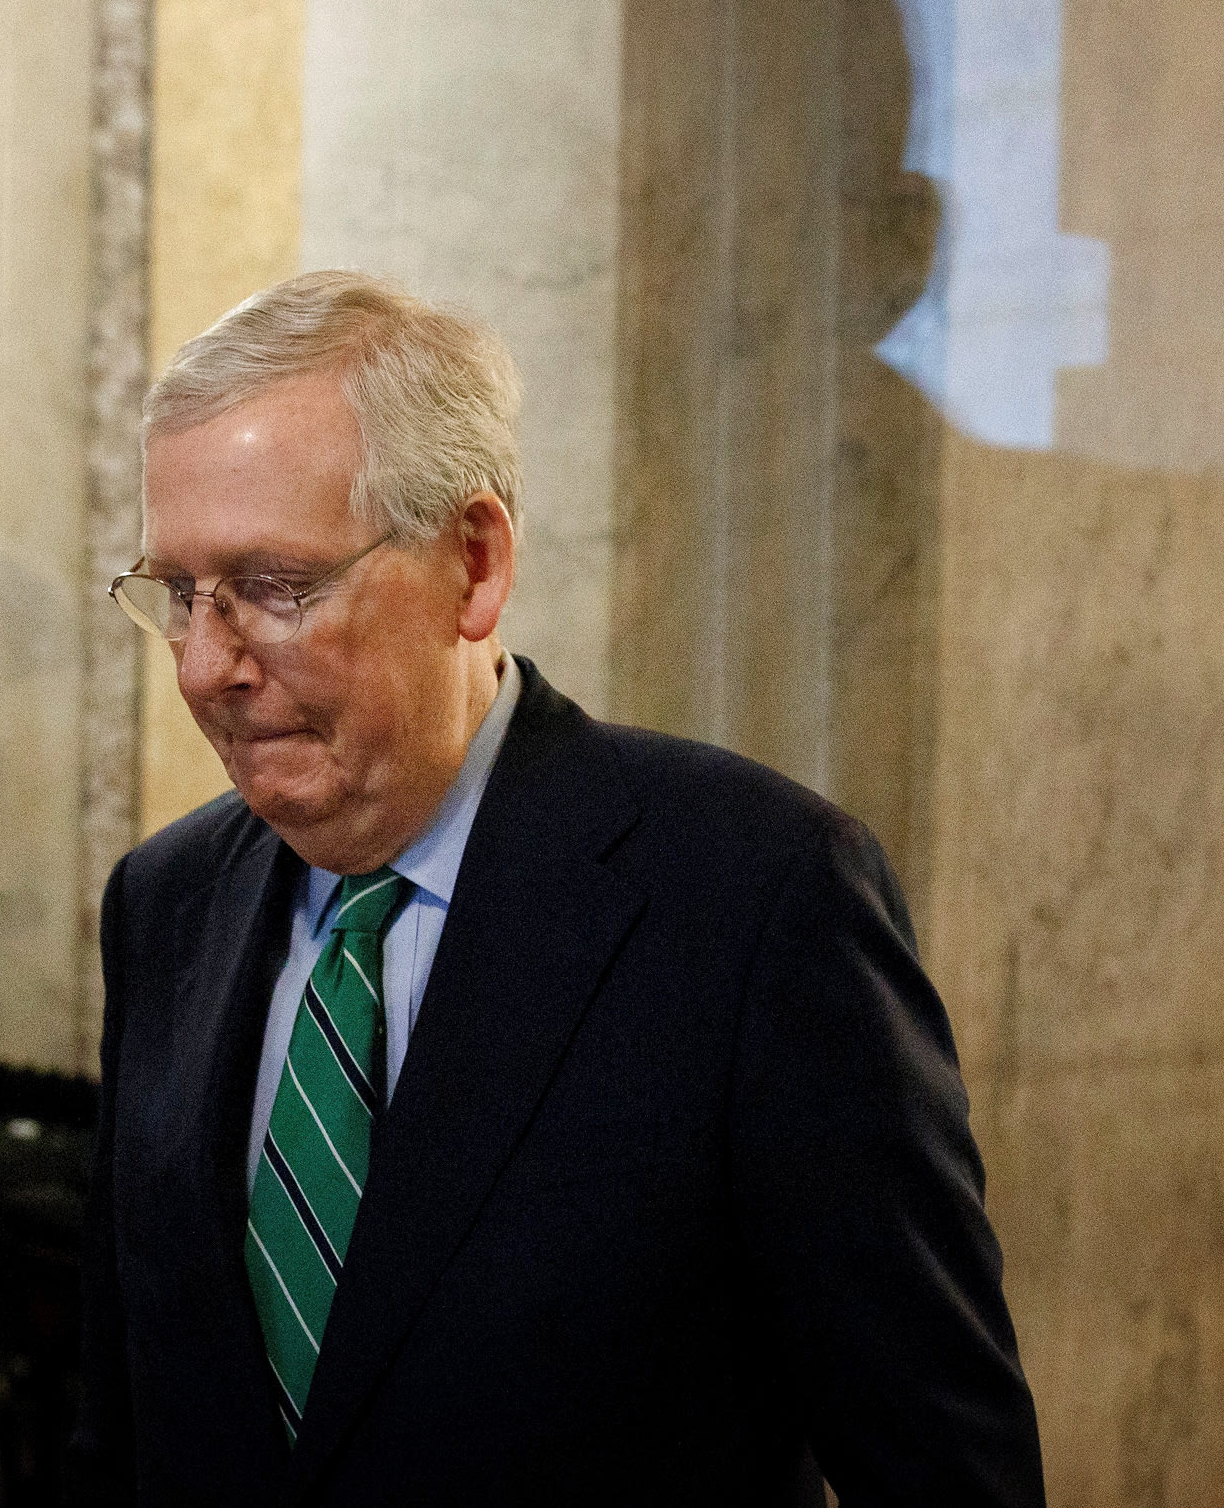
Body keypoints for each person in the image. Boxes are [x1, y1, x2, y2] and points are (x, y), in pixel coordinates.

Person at [68, 271, 1044, 1505]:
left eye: (275, 588)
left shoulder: (756, 901)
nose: (206, 665)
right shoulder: (162, 902)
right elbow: (122, 1423)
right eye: (177, 595)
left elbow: (942, 1464)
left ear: (473, 563)